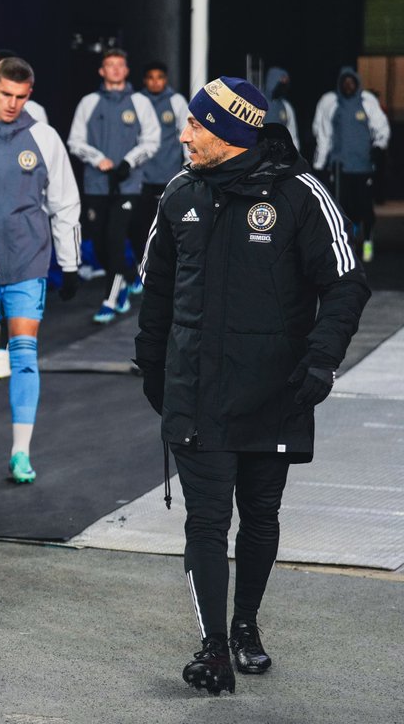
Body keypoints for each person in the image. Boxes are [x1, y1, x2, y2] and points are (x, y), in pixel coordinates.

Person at [135, 77, 370, 695]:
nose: (183, 134)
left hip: (276, 391)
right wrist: (152, 364)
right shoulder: (179, 195)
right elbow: (155, 289)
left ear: (231, 134)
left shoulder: (299, 196)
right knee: (205, 522)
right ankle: (213, 646)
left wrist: (321, 361)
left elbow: (346, 283)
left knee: (260, 516)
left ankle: (246, 625)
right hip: (197, 391)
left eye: (196, 125)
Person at [0, 56, 80, 483]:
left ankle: (20, 452)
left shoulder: (43, 138)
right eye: (5, 93)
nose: (12, 103)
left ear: (30, 95)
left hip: (27, 261)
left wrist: (70, 263)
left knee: (24, 356)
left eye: (21, 96)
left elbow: (65, 203)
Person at [67, 48, 159, 324]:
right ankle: (125, 277)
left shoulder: (140, 102)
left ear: (126, 70)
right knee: (100, 244)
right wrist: (98, 159)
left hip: (128, 184)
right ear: (102, 71)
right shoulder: (89, 102)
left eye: (120, 64)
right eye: (110, 65)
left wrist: (129, 162)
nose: (116, 69)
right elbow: (75, 140)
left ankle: (110, 298)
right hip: (97, 183)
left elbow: (152, 140)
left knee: (115, 239)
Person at [312, 67, 391, 263]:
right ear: (340, 84)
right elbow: (323, 134)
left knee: (365, 208)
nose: (348, 86)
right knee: (342, 208)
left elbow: (381, 128)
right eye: (344, 82)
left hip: (363, 167)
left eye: (351, 82)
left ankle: (368, 243)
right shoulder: (330, 102)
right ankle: (348, 243)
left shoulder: (367, 101)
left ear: (357, 83)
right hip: (340, 168)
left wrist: (378, 148)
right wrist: (320, 165)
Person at [134, 61, 189, 274]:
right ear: (144, 80)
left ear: (165, 79)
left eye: (160, 77)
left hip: (169, 173)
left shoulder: (175, 101)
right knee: (142, 224)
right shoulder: (137, 101)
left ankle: (167, 266)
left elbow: (184, 133)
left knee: (169, 223)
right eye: (151, 77)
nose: (155, 82)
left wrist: (187, 166)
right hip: (143, 175)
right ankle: (143, 266)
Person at [262, 67, 299, 149]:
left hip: (278, 156)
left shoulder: (286, 107)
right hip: (259, 154)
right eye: (280, 83)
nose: (283, 87)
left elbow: (292, 134)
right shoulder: (257, 102)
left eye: (285, 84)